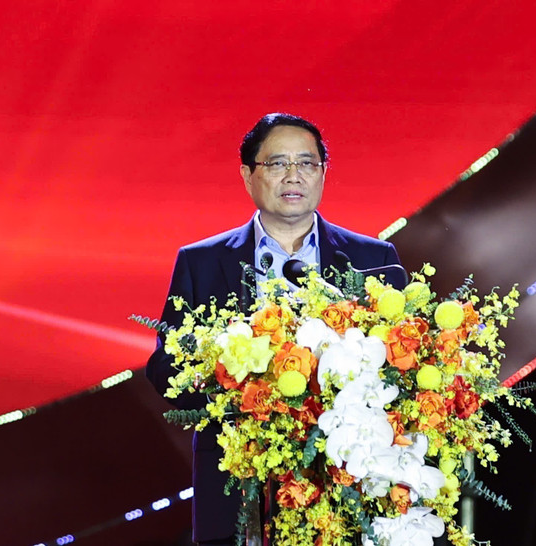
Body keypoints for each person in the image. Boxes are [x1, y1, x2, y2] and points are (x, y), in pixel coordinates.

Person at [146, 112, 405, 544]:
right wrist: (228, 376)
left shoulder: (374, 259)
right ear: (248, 175)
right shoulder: (202, 262)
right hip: (240, 483)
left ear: (323, 173)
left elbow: (401, 368)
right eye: (277, 163)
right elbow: (164, 368)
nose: (293, 175)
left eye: (306, 163)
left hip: (348, 483)